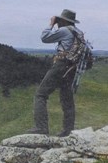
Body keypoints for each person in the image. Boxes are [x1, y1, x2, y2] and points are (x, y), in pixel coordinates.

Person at [30, 9, 89, 137]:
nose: (57, 23)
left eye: (58, 21)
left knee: (40, 95)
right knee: (66, 98)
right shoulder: (77, 32)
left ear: (63, 20)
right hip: (71, 68)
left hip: (61, 65)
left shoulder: (64, 30)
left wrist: (50, 24)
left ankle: (41, 128)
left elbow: (44, 38)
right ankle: (68, 130)